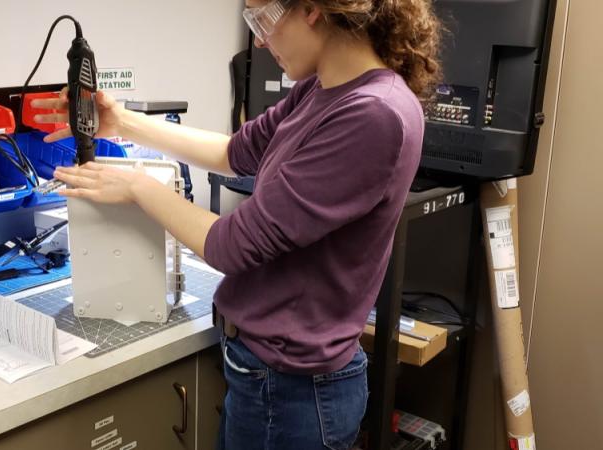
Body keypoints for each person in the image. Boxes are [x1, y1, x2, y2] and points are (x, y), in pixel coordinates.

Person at [33, 0, 441, 448]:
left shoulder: (373, 114)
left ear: (310, 8)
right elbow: (234, 153)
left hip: (294, 394)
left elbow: (233, 245)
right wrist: (123, 122)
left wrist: (138, 187)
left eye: (263, 18)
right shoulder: (322, 89)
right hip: (265, 376)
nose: (261, 40)